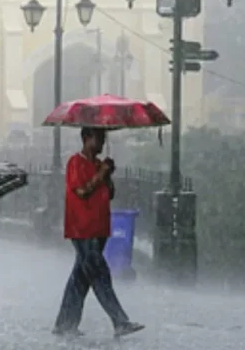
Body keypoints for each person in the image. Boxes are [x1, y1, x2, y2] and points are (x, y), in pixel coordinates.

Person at [52, 127, 144, 339]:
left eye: (103, 138)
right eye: (99, 138)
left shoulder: (98, 164)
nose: (102, 142)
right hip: (82, 229)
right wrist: (101, 174)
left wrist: (107, 175)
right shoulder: (75, 163)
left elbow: (109, 193)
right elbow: (82, 191)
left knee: (80, 278)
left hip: (99, 228)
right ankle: (120, 321)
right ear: (86, 138)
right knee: (99, 273)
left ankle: (65, 324)